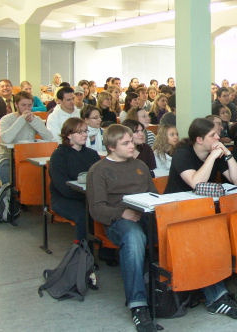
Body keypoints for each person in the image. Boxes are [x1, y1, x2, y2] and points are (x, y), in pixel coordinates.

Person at [87, 124, 159, 332]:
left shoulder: (140, 166)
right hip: (118, 221)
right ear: (111, 147)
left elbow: (153, 194)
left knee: (180, 228)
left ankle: (209, 292)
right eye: (125, 143)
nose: (132, 145)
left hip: (145, 213)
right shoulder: (98, 171)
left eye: (131, 141)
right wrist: (122, 213)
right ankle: (138, 305)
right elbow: (97, 209)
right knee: (134, 237)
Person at [49, 118, 100, 242]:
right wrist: (89, 197)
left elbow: (101, 177)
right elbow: (62, 187)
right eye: (80, 132)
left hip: (90, 197)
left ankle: (105, 250)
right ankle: (83, 251)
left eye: (86, 131)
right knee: (83, 214)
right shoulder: (58, 156)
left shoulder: (92, 154)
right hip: (64, 199)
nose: (85, 135)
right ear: (68, 135)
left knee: (107, 210)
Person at [165, 117, 237, 193]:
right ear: (199, 140)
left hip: (204, 202)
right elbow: (196, 184)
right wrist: (212, 157)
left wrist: (228, 153)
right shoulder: (181, 154)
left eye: (216, 133)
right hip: (176, 203)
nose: (218, 137)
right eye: (212, 135)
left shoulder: (216, 152)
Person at [0, 91, 54, 184]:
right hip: (9, 158)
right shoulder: (5, 119)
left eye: (29, 105)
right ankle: (8, 196)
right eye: (23, 105)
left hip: (29, 156)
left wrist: (34, 122)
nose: (27, 108)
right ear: (16, 104)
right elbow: (6, 139)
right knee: (7, 173)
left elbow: (49, 137)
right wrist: (22, 120)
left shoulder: (35, 119)